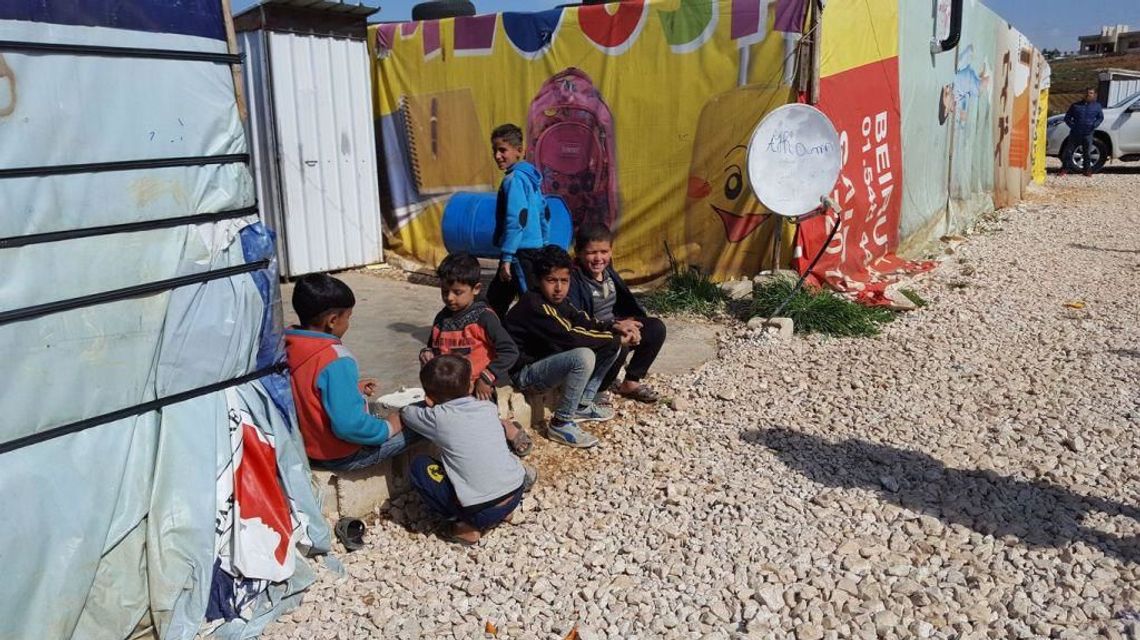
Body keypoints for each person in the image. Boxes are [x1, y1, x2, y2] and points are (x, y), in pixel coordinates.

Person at [285, 274, 418, 471]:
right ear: (332, 320)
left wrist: (352, 389)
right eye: (348, 317)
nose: (348, 323)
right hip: (340, 454)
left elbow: (310, 390)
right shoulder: (336, 359)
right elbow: (349, 426)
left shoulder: (289, 345)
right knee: (419, 425)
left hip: (306, 448)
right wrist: (389, 427)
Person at [505, 245, 633, 448]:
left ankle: (582, 404)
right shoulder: (534, 305)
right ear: (538, 280)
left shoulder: (559, 301)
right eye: (551, 280)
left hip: (546, 362)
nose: (559, 288)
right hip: (525, 373)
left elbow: (581, 320)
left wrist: (614, 326)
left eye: (564, 281)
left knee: (612, 343)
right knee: (583, 356)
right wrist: (614, 338)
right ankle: (561, 423)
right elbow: (571, 336)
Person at [401, 355, 535, 546]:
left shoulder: (438, 418)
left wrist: (428, 404)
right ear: (471, 386)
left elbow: (406, 413)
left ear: (429, 399)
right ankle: (504, 512)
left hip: (481, 512)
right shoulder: (488, 407)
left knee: (420, 466)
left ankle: (465, 527)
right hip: (515, 492)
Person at [420, 252, 534, 456]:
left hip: (479, 387)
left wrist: (486, 377)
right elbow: (433, 347)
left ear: (476, 289)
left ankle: (507, 429)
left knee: (481, 427)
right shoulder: (441, 319)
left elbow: (509, 350)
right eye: (445, 291)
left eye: (457, 292)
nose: (449, 298)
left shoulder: (484, 318)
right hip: (450, 389)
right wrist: (427, 354)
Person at [568, 223, 666, 404]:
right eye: (591, 252)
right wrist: (616, 328)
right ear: (578, 252)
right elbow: (577, 320)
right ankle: (595, 390)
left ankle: (631, 382)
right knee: (619, 344)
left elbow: (623, 303)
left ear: (611, 251)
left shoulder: (607, 272)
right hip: (594, 333)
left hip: (615, 324)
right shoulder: (573, 280)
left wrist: (630, 323)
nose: (598, 258)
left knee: (655, 328)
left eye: (604, 252)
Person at [485, 123, 549, 318]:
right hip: (531, 249)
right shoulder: (531, 178)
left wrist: (507, 257)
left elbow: (517, 218)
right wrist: (544, 243)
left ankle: (538, 335)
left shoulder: (513, 180)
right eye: (495, 150)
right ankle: (486, 330)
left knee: (530, 302)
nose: (497, 156)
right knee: (497, 297)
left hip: (519, 252)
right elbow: (543, 212)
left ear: (519, 151)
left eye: (502, 150)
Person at [1062, 88, 1104, 177]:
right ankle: (1064, 169)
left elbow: (1100, 117)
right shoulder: (1075, 106)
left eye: (1091, 93)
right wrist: (1073, 126)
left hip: (1088, 132)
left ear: (1094, 95)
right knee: (1069, 151)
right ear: (1083, 94)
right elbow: (1067, 118)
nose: (1088, 94)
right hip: (1075, 132)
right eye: (1087, 93)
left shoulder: (1097, 106)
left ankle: (1087, 171)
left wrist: (1094, 125)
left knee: (1087, 152)